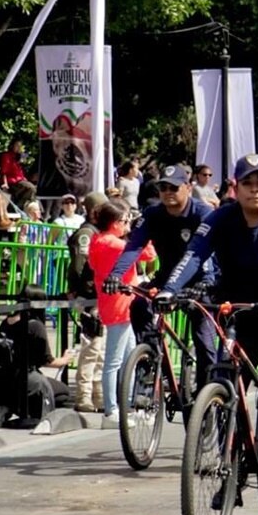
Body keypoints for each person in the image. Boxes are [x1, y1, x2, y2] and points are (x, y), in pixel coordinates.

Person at [159, 153, 258, 435]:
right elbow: (194, 254)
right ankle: (232, 453)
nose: (254, 188)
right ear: (235, 188)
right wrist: (170, 290)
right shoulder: (221, 217)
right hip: (239, 309)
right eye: (247, 182)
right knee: (225, 375)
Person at [105, 164, 216, 391]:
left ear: (187, 187)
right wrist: (116, 275)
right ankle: (150, 363)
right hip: (166, 278)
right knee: (138, 304)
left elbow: (211, 252)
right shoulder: (153, 214)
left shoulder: (202, 213)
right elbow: (134, 247)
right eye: (163, 187)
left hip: (201, 280)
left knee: (204, 341)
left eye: (174, 187)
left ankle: (207, 395)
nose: (168, 192)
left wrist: (207, 282)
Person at [88, 198, 156, 429]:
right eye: (125, 221)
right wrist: (139, 232)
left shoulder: (99, 240)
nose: (128, 224)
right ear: (116, 222)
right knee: (115, 362)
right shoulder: (113, 244)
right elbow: (149, 254)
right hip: (119, 306)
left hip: (119, 305)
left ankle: (124, 406)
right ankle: (111, 410)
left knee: (128, 360)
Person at [0, 284, 74, 428]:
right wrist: (65, 359)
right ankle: (26, 409)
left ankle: (4, 405)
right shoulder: (35, 325)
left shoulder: (6, 321)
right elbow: (47, 360)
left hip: (0, 382)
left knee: (39, 383)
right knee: (63, 392)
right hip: (25, 379)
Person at [67, 191, 108, 412]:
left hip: (101, 297)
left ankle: (98, 394)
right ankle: (83, 395)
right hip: (90, 297)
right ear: (94, 211)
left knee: (100, 350)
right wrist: (80, 290)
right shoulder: (86, 233)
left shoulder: (99, 232)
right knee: (91, 348)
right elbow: (79, 265)